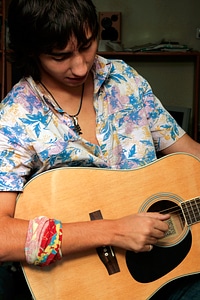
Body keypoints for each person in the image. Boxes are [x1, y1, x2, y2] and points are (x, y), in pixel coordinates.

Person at [0, 0, 199, 298]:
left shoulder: (125, 80)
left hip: (162, 269)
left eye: (88, 44)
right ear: (32, 52)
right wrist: (115, 231)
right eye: (60, 56)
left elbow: (189, 155)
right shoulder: (14, 116)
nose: (80, 66)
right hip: (86, 287)